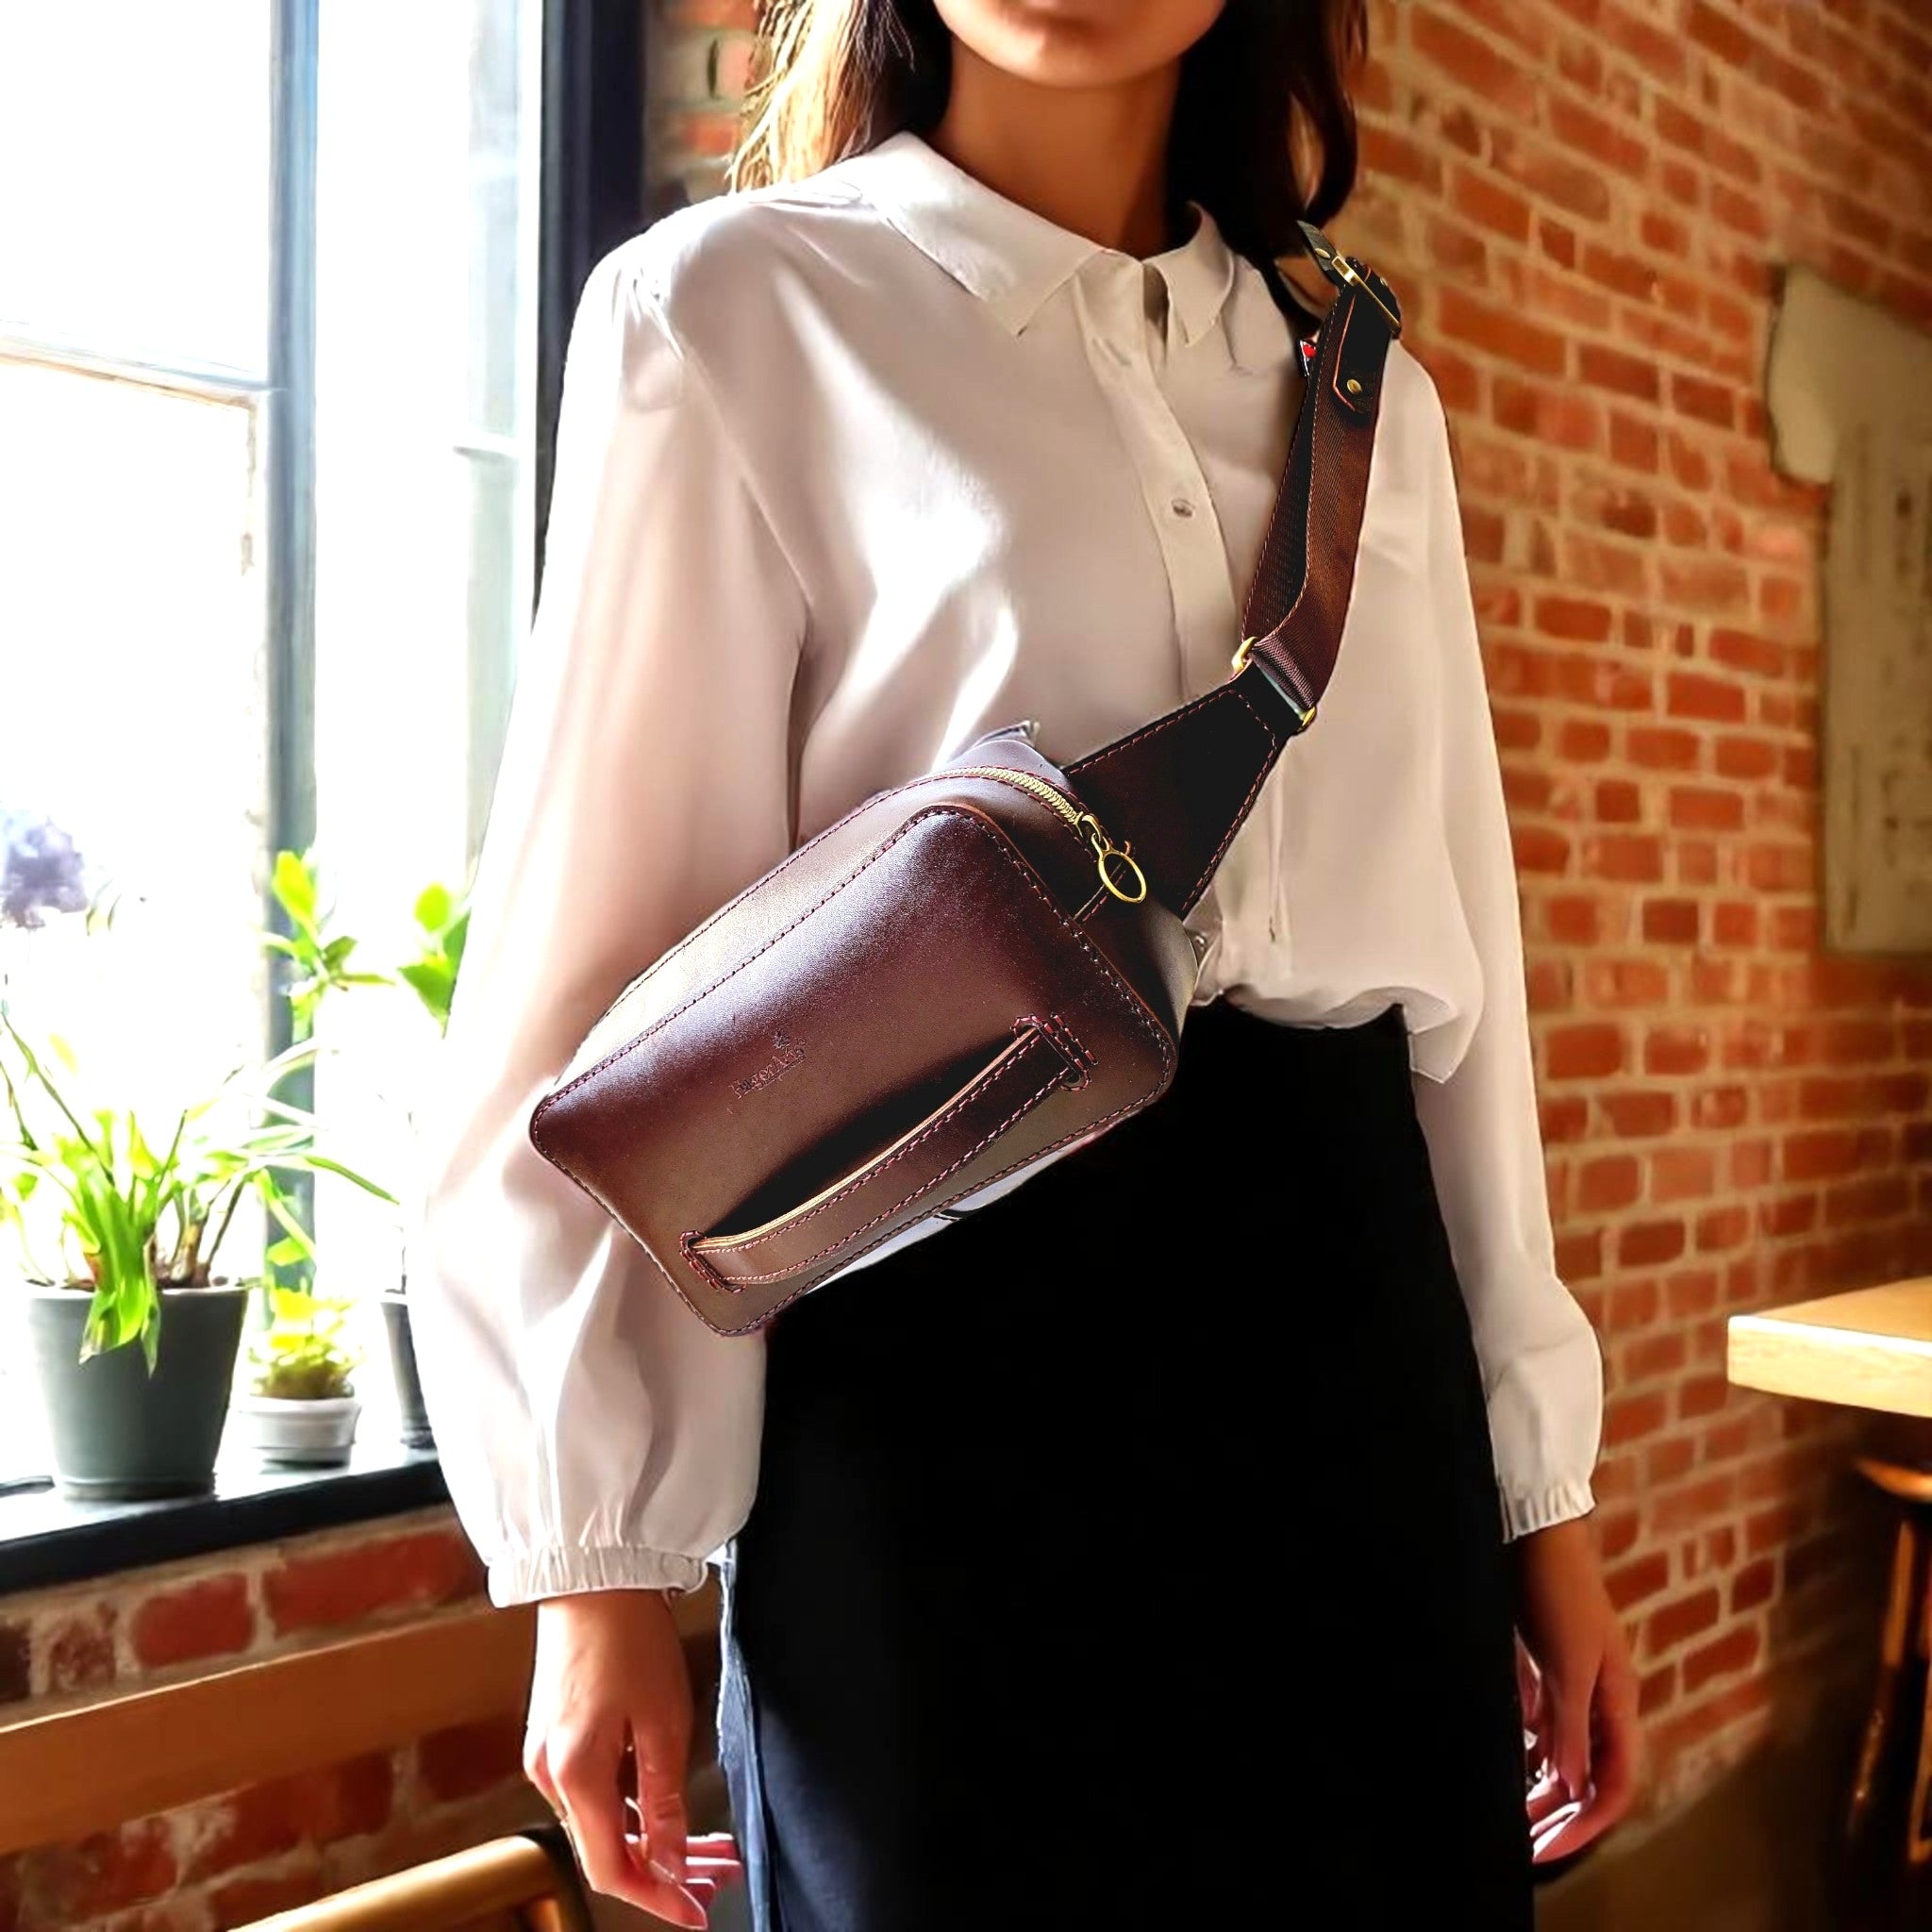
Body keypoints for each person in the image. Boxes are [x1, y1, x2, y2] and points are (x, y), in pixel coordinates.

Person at [411, 3, 1640, 1925]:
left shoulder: (1357, 386)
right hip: (936, 1361)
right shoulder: (732, 316)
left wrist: (1534, 1492)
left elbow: (1453, 980)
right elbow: (597, 962)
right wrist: (594, 1557)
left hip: (1352, 1355)